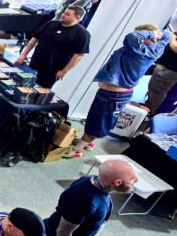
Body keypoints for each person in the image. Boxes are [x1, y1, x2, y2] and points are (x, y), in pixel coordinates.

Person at [65, 24, 172, 158]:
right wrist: (156, 34)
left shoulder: (140, 51)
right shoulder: (154, 47)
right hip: (112, 94)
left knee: (96, 123)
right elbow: (167, 35)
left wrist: (151, 34)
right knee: (96, 119)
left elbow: (132, 37)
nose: (139, 36)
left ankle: (77, 149)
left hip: (113, 95)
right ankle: (86, 142)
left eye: (143, 35)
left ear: (148, 37)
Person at [15, 7, 91, 89]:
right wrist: (23, 55)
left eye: (67, 14)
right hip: (35, 63)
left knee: (39, 92)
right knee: (22, 86)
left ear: (77, 17)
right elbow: (34, 39)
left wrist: (64, 71)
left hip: (52, 70)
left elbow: (78, 56)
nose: (63, 15)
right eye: (64, 12)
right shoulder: (51, 24)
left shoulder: (82, 34)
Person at [146, 30, 177, 114]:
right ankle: (149, 108)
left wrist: (170, 36)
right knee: (156, 90)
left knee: (157, 92)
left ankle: (150, 112)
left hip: (169, 69)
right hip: (168, 67)